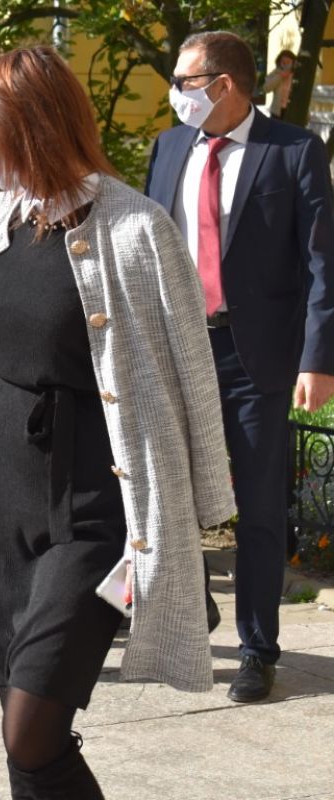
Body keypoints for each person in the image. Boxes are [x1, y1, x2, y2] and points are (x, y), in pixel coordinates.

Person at [0, 46, 235, 798]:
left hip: (93, 507)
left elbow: (192, 374)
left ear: (30, 129)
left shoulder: (137, 228)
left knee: (33, 726)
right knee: (17, 725)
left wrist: (200, 512)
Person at [146, 31, 334, 703]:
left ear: (223, 85)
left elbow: (321, 262)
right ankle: (192, 608)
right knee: (170, 498)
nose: (176, 92)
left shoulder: (293, 151)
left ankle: (258, 648)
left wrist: (318, 358)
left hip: (257, 356)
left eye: (184, 81)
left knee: (256, 508)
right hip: (178, 350)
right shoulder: (169, 148)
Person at [263, 48, 295, 119]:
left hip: (293, 112)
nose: (286, 65)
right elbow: (266, 88)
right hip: (277, 112)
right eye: (283, 62)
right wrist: (280, 76)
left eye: (288, 62)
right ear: (279, 62)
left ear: (293, 62)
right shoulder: (275, 73)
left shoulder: (297, 75)